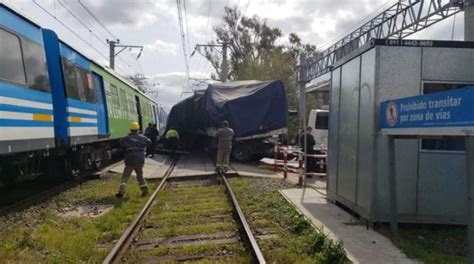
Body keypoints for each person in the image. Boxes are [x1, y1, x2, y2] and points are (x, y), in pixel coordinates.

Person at [116, 121, 151, 198]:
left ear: (130, 129)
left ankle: (121, 192)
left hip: (130, 159)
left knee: (125, 176)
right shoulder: (142, 138)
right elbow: (149, 142)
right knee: (140, 176)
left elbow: (121, 143)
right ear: (138, 129)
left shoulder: (126, 138)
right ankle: (145, 191)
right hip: (140, 159)